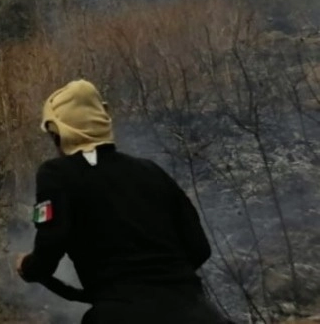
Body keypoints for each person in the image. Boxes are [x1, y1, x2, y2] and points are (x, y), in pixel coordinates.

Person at [14, 79, 232, 323]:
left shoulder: (56, 174)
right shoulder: (151, 171)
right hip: (199, 314)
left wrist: (28, 266)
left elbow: (48, 250)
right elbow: (200, 249)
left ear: (59, 132)